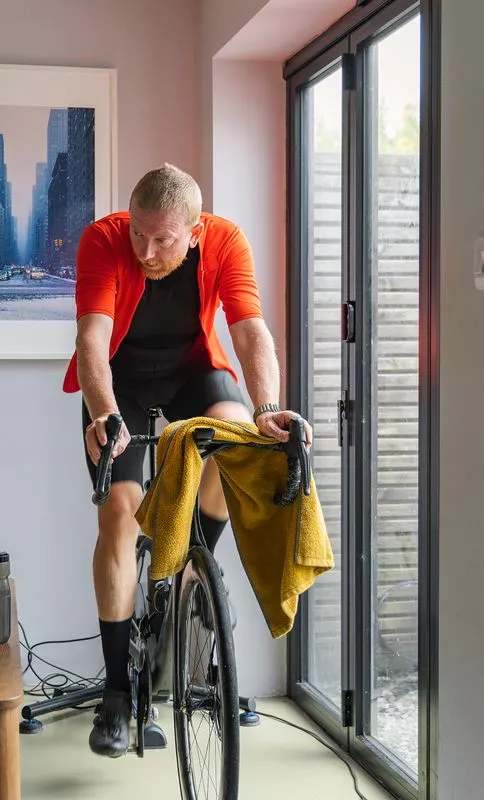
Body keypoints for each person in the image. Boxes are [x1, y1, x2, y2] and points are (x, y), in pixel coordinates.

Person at [62, 163, 312, 757]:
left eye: (163, 239)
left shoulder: (225, 241)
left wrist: (268, 406)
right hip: (117, 380)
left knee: (237, 444)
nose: (146, 250)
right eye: (139, 234)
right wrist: (103, 413)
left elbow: (250, 331)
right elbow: (92, 339)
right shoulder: (102, 237)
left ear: (194, 231)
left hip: (191, 372)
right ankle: (118, 693)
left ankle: (187, 569)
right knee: (120, 514)